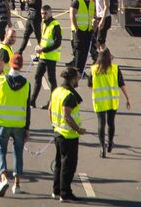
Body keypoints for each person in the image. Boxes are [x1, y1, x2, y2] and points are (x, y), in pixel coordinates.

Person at [0, 53, 30, 197]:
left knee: (0, 150)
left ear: (10, 64)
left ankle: (3, 177)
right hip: (19, 123)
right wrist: (27, 128)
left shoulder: (1, 81)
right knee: (18, 152)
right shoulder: (27, 84)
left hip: (4, 123)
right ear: (21, 66)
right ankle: (17, 184)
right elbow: (28, 107)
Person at [50, 67, 88, 202]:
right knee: (68, 165)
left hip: (58, 132)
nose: (78, 80)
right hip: (68, 135)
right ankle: (65, 193)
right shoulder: (69, 96)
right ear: (72, 79)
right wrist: (78, 129)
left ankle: (56, 190)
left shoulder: (57, 91)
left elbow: (50, 109)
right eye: (77, 77)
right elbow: (67, 116)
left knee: (59, 163)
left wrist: (53, 125)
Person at [90, 47, 130, 156]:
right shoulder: (115, 69)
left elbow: (90, 84)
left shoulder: (93, 69)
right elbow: (121, 84)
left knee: (101, 124)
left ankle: (102, 146)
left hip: (100, 100)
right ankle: (110, 143)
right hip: (112, 100)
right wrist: (127, 98)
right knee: (111, 123)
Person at [31, 5, 62, 108]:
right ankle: (32, 101)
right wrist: (39, 46)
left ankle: (53, 102)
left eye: (45, 13)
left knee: (52, 80)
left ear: (50, 13)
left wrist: (43, 49)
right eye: (42, 14)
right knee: (37, 76)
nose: (43, 16)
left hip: (51, 57)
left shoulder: (55, 25)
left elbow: (57, 43)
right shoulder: (44, 24)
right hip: (43, 56)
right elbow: (44, 40)